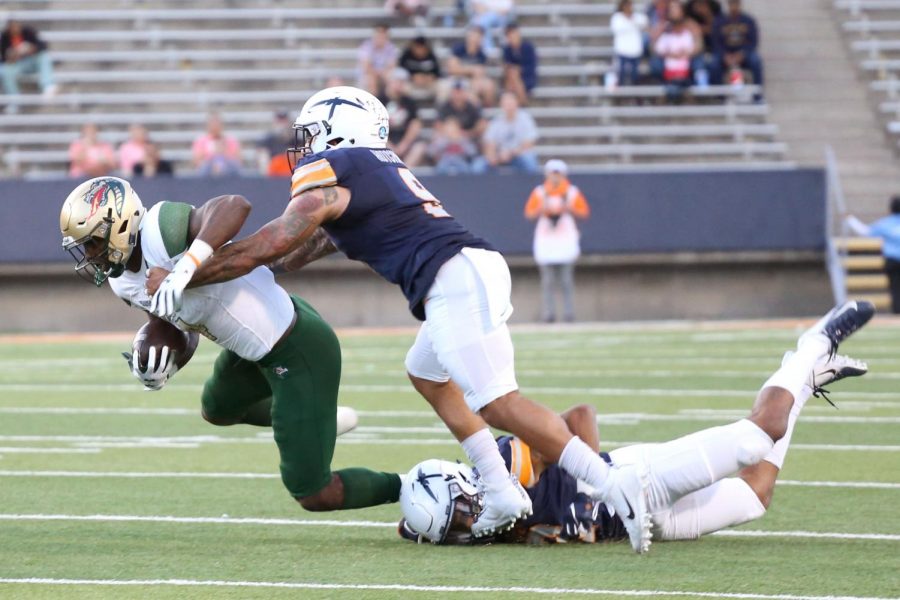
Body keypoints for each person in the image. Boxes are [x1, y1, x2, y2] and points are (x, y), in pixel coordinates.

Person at [143, 85, 656, 553]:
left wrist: (187, 274)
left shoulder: (338, 165)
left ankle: (611, 485)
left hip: (455, 276)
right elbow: (295, 250)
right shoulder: (366, 171)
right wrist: (236, 266)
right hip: (460, 274)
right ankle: (501, 490)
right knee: (427, 373)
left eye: (309, 133)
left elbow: (275, 240)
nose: (301, 146)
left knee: (499, 402)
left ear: (337, 128)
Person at [59, 176, 402, 514]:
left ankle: (409, 484)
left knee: (314, 493)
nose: (90, 255)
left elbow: (234, 206)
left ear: (119, 224)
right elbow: (178, 324)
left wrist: (185, 270)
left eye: (92, 242)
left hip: (297, 348)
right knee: (217, 408)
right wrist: (162, 360)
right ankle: (317, 421)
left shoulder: (160, 231)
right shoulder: (123, 284)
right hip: (252, 351)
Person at [398, 302, 874, 544]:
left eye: (461, 512)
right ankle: (806, 383)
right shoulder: (465, 531)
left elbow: (580, 417)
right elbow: (410, 522)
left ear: (464, 481)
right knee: (754, 496)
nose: (466, 525)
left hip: (641, 479)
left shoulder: (507, 466)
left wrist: (594, 486)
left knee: (757, 437)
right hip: (643, 527)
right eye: (455, 527)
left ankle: (811, 346)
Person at [524, 159, 590, 323]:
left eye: (558, 174)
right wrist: (543, 208)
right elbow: (530, 214)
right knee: (548, 280)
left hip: (564, 237)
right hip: (547, 238)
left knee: (566, 279)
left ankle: (569, 313)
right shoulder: (540, 192)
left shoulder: (572, 192)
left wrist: (568, 207)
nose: (555, 178)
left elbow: (583, 212)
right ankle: (549, 314)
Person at [846, 197, 900, 314]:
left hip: (892, 261)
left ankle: (897, 312)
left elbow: (865, 232)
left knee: (895, 288)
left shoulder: (886, 223)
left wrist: (850, 220)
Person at [475, 91, 540, 174]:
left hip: (518, 155)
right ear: (501, 104)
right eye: (506, 102)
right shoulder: (497, 122)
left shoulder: (525, 119)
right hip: (500, 156)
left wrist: (511, 153)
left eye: (510, 101)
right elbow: (490, 143)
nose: (508, 104)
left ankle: (530, 185)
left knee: (529, 160)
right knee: (478, 165)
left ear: (517, 103)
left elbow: (529, 143)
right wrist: (493, 156)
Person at [1, 19, 57, 110]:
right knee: (4, 70)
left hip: (31, 62)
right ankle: (15, 102)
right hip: (17, 65)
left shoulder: (28, 32)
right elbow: (3, 58)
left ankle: (48, 86)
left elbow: (43, 46)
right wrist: (11, 56)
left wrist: (31, 48)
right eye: (12, 28)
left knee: (43, 56)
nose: (15, 30)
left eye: (16, 27)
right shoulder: (4, 37)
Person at [712, 0, 763, 92]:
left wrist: (742, 54)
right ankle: (719, 96)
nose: (734, 6)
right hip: (725, 54)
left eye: (736, 3)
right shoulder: (720, 21)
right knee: (714, 64)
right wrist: (725, 55)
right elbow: (716, 42)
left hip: (744, 53)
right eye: (732, 3)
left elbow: (753, 42)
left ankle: (757, 95)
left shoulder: (748, 21)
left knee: (756, 61)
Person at [381, 70, 427, 167]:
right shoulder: (379, 100)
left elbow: (415, 124)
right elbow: (374, 126)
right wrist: (388, 145)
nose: (399, 85)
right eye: (396, 81)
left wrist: (404, 145)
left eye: (402, 82)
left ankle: (405, 172)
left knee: (420, 147)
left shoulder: (409, 101)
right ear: (389, 82)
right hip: (384, 140)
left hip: (404, 139)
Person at [446, 26, 497, 107]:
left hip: (472, 82)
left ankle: (487, 110)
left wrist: (469, 72)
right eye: (474, 35)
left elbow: (480, 72)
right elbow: (452, 69)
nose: (476, 39)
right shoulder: (459, 48)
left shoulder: (481, 54)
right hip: (456, 79)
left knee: (488, 86)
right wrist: (471, 70)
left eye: (479, 36)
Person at [651, 2, 698, 87]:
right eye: (672, 10)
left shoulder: (691, 25)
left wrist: (685, 53)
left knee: (698, 64)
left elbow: (698, 45)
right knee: (655, 64)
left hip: (687, 56)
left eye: (676, 9)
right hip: (667, 57)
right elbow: (654, 46)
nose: (674, 12)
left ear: (682, 11)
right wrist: (668, 53)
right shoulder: (662, 25)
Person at [192, 112, 242, 176]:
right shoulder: (201, 141)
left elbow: (238, 161)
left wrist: (224, 151)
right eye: (213, 123)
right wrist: (211, 153)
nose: (215, 126)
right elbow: (196, 162)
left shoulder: (231, 141)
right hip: (207, 171)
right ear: (208, 125)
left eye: (217, 123)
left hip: (227, 169)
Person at [610, 0, 648, 87]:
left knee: (635, 75)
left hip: (635, 51)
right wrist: (630, 21)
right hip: (622, 50)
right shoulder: (617, 17)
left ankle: (635, 96)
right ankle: (620, 96)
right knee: (621, 74)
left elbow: (645, 22)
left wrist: (631, 19)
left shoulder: (637, 17)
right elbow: (616, 28)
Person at [356, 24, 398, 97]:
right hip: (369, 74)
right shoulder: (366, 46)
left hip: (384, 74)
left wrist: (382, 74)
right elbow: (366, 66)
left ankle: (390, 104)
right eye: (379, 34)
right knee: (370, 80)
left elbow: (392, 66)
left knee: (393, 82)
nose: (380, 37)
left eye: (383, 34)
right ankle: (371, 103)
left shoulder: (391, 48)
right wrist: (377, 73)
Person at [501, 23, 538, 105]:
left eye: (513, 34)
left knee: (512, 76)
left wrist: (519, 69)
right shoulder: (507, 49)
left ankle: (518, 103)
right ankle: (521, 103)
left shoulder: (528, 47)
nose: (512, 37)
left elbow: (531, 67)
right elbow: (507, 65)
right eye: (509, 35)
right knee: (512, 74)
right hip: (512, 78)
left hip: (526, 77)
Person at [255, 110, 294, 177]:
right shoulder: (267, 140)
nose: (281, 124)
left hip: (291, 171)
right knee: (263, 155)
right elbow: (262, 155)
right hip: (273, 171)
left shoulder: (295, 139)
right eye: (279, 121)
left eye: (283, 121)